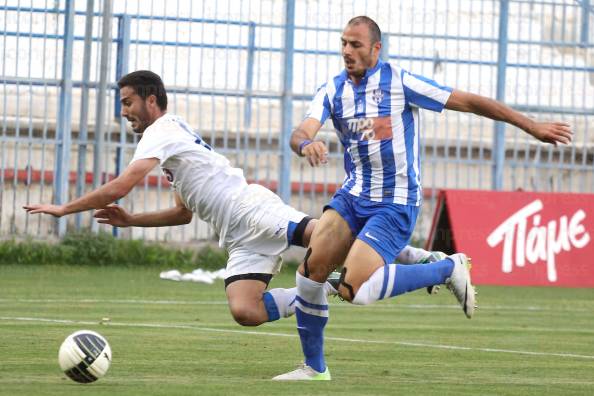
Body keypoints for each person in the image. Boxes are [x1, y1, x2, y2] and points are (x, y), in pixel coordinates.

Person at [273, 16, 573, 380]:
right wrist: (307, 143)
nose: (347, 52)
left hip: (395, 202)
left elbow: (470, 102)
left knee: (354, 290)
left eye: (355, 45)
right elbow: (300, 131)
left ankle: (447, 268)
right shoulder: (333, 90)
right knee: (309, 275)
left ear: (376, 49)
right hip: (352, 196)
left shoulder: (400, 82)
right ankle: (314, 369)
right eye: (343, 44)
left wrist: (532, 127)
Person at [23, 70, 444, 328]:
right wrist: (131, 222)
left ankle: (417, 258)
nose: (125, 111)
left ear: (151, 101)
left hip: (249, 208)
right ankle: (331, 288)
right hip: (237, 234)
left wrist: (64, 208)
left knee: (326, 238)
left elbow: (119, 185)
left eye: (128, 102)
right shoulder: (170, 139)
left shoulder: (160, 132)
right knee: (246, 310)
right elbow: (184, 214)